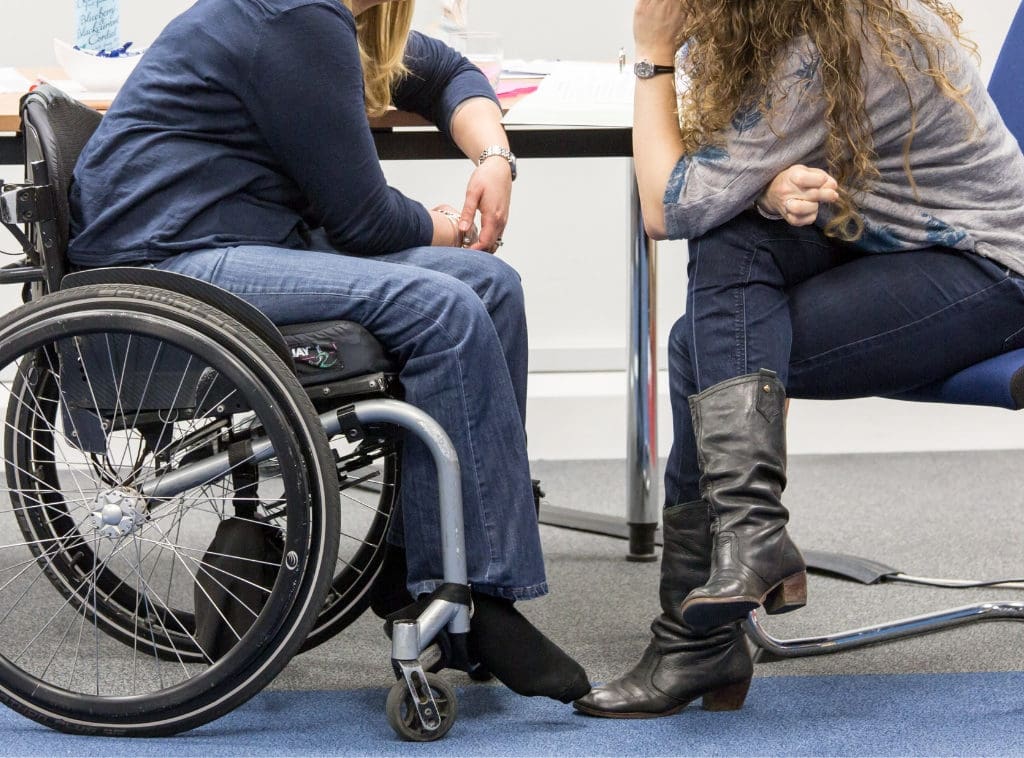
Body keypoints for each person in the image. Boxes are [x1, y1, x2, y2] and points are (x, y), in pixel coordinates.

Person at [68, 0, 590, 705]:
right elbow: (365, 221)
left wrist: (494, 157)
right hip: (172, 259)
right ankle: (472, 600)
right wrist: (447, 225)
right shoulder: (294, 14)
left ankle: (423, 570)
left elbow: (445, 72)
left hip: (242, 240)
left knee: (491, 288)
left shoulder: (346, 18)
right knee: (444, 306)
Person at [575, 0, 1024, 718]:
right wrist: (775, 179)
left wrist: (653, 52)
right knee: (732, 244)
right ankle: (749, 547)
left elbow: (669, 204)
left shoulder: (823, 44)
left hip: (990, 271)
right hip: (888, 235)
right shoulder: (789, 24)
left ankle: (705, 634)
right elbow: (724, 170)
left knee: (703, 342)